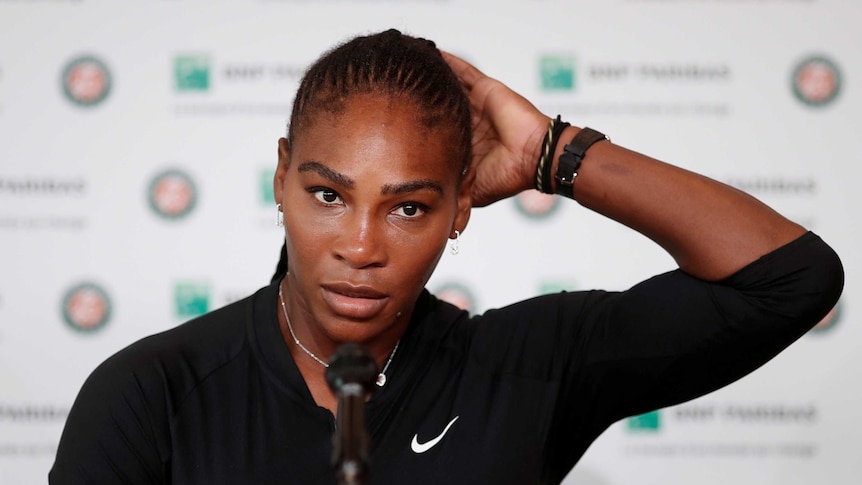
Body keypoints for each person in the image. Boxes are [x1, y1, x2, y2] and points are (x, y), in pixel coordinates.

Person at [50, 29, 843, 485]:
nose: (361, 247)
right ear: (282, 175)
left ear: (462, 204)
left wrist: (553, 154)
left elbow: (789, 279)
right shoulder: (151, 393)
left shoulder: (526, 368)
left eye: (408, 207)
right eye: (329, 195)